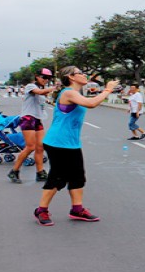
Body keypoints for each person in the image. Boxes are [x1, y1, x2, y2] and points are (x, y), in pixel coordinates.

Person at [33, 66, 119, 226]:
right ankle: (41, 210)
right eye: (80, 73)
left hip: (71, 143)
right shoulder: (68, 93)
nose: (84, 74)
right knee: (58, 177)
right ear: (71, 77)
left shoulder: (75, 93)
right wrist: (107, 90)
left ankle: (77, 209)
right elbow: (91, 104)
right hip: (57, 142)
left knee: (78, 177)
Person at [7, 68, 58, 184]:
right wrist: (55, 87)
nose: (46, 80)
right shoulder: (31, 86)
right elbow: (39, 92)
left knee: (40, 147)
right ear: (37, 76)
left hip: (37, 120)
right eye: (44, 77)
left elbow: (45, 99)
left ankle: (40, 173)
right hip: (28, 119)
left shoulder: (42, 90)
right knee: (30, 147)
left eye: (48, 78)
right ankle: (14, 171)